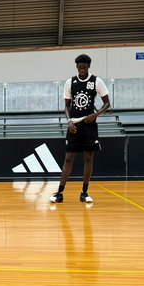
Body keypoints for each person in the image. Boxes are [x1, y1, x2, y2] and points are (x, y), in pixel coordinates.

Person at [55, 54, 111, 204]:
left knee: (88, 157)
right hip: (74, 125)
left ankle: (84, 192)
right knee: (68, 158)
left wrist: (96, 114)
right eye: (79, 68)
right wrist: (69, 121)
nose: (81, 70)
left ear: (88, 67)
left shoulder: (96, 81)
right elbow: (67, 106)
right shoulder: (70, 82)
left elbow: (107, 104)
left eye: (84, 68)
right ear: (76, 67)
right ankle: (59, 192)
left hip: (89, 125)